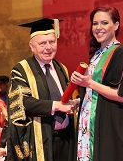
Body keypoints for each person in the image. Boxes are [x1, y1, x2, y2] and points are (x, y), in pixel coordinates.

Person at [70, 6, 123, 161]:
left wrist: (89, 83)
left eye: (104, 23)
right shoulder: (96, 55)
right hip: (88, 127)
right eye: (95, 23)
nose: (98, 28)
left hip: (108, 130)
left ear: (116, 25)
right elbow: (97, 96)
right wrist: (79, 101)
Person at [7, 18, 78, 161]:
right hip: (40, 137)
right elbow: (23, 102)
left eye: (52, 42)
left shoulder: (61, 68)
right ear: (31, 46)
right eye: (42, 43)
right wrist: (57, 105)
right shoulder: (21, 70)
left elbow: (64, 98)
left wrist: (73, 103)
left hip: (65, 138)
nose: (48, 47)